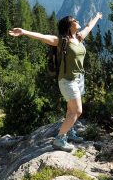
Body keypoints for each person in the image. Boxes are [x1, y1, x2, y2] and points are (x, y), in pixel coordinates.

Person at [9, 12, 103, 151]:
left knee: (71, 109)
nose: (77, 20)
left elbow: (89, 26)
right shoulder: (61, 40)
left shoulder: (79, 37)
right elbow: (43, 37)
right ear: (68, 26)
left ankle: (70, 131)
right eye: (74, 20)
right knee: (77, 110)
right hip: (67, 80)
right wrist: (23, 32)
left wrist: (97, 16)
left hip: (78, 79)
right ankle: (59, 139)